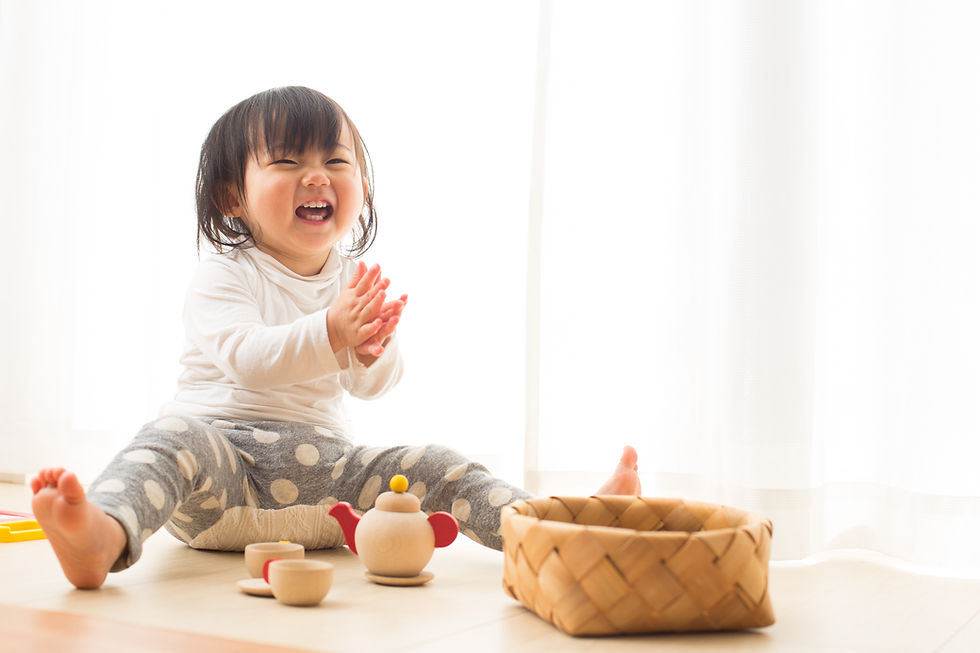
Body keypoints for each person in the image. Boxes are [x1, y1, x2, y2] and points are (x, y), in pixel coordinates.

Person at [31, 86, 642, 590]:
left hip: (328, 490)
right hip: (223, 474)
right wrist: (331, 331)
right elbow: (249, 362)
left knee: (432, 462)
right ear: (231, 197)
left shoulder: (351, 280)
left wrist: (370, 351)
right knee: (169, 438)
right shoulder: (224, 274)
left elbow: (373, 385)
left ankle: (557, 529)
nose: (316, 177)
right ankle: (102, 536)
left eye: (336, 161)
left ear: (364, 186)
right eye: (288, 162)